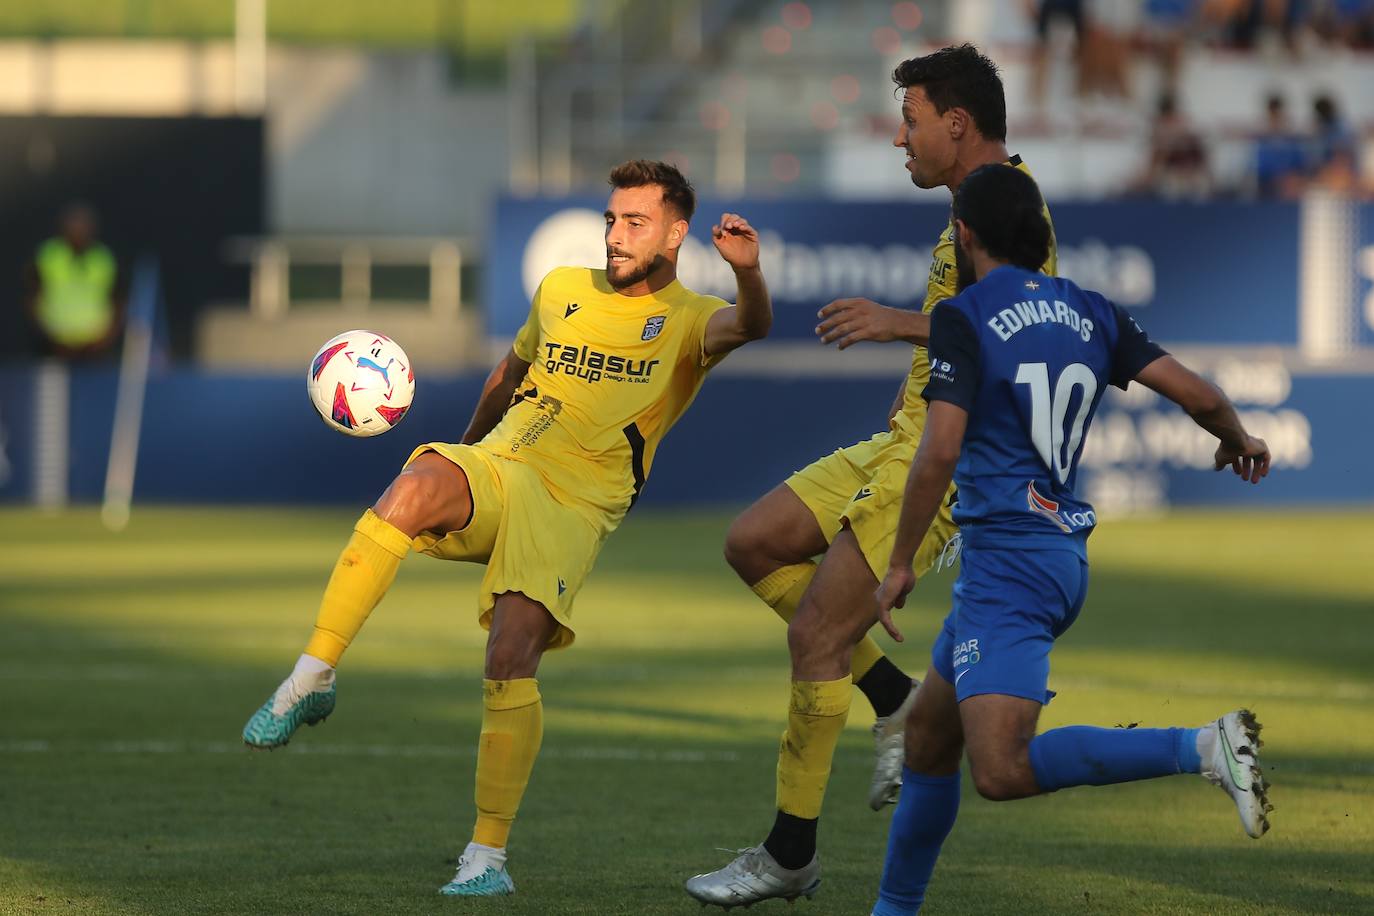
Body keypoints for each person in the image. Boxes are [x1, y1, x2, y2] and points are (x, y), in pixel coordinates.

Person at [240, 159, 772, 897]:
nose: (616, 236)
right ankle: (311, 677)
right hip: (503, 465)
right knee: (412, 486)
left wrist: (748, 272)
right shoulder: (561, 288)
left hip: (575, 505)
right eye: (612, 220)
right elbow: (508, 373)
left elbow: (751, 324)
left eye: (635, 223)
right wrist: (461, 461)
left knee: (509, 659)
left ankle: (486, 857)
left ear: (676, 234)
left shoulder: (688, 319)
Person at [685, 45, 1057, 909]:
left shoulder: (1011, 205)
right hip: (901, 435)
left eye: (912, 120)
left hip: (943, 456)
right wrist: (909, 380)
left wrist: (899, 323)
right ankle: (893, 696)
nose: (902, 138)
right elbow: (966, 328)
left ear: (956, 124)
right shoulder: (969, 206)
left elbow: (1024, 328)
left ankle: (790, 855)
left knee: (815, 637)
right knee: (753, 543)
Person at [868, 164, 1273, 916]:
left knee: (1000, 769)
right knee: (927, 738)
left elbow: (941, 448)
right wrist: (1239, 437)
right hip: (1049, 552)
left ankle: (1204, 747)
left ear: (964, 235)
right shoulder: (1093, 311)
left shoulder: (964, 314)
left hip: (1009, 568)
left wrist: (898, 563)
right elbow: (1201, 395)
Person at [24, 203, 123, 361]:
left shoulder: (103, 259)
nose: (78, 231)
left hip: (95, 348)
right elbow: (31, 299)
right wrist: (45, 335)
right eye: (73, 226)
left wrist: (106, 339)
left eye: (82, 226)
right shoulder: (48, 255)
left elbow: (117, 301)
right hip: (53, 346)